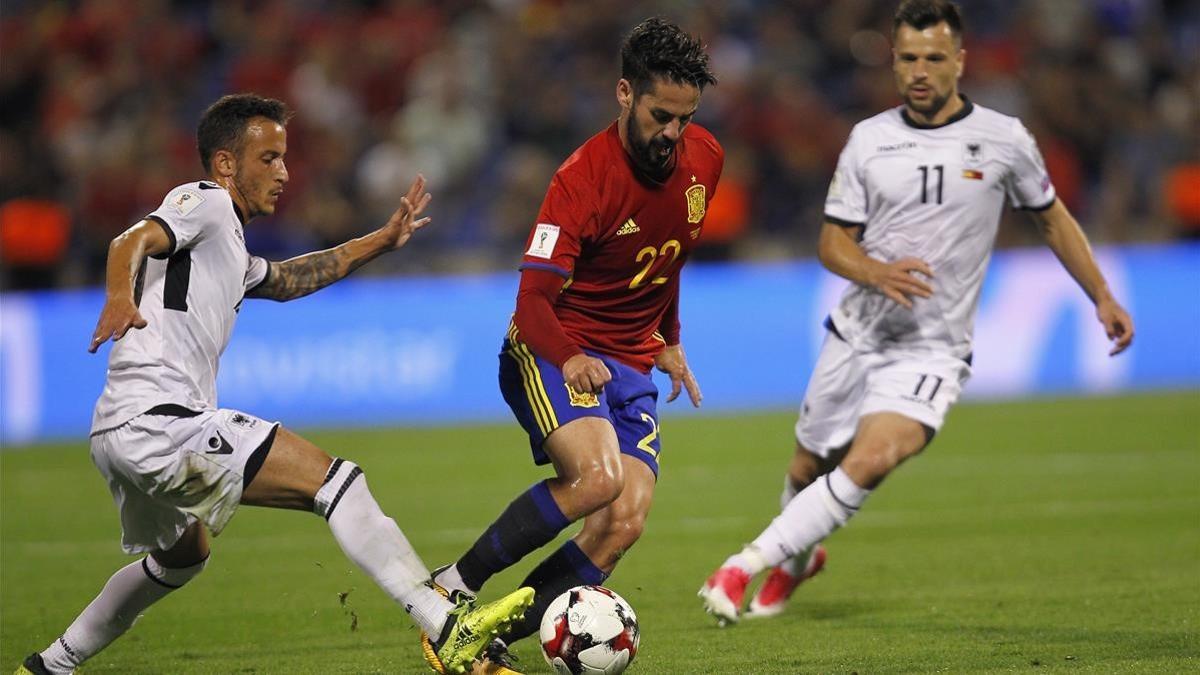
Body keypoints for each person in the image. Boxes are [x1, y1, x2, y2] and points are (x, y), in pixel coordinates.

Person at [15, 94, 532, 675]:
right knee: (339, 484)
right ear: (226, 164)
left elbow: (289, 278)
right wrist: (117, 295)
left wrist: (380, 241)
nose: (284, 172)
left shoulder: (227, 246)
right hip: (159, 420)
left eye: (285, 158)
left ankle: (49, 666)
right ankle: (448, 630)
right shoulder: (204, 202)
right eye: (269, 158)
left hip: (116, 430)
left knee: (183, 556)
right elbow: (128, 241)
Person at [700, 0, 1134, 625]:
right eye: (908, 58)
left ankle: (743, 563)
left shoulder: (1004, 140)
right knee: (805, 466)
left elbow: (1051, 217)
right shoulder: (869, 141)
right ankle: (799, 561)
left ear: (960, 60)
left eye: (934, 57)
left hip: (933, 348)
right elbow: (831, 243)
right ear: (894, 61)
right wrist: (874, 271)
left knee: (873, 458)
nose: (920, 71)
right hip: (858, 332)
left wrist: (1101, 294)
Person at [418, 17, 723, 673]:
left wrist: (669, 339)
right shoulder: (581, 179)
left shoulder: (706, 161)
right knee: (597, 479)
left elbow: (667, 261)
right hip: (554, 345)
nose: (673, 133)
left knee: (624, 520)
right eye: (660, 114)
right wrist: (571, 356)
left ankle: (485, 640)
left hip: (631, 361)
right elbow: (531, 304)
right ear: (624, 93)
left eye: (686, 118)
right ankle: (448, 591)